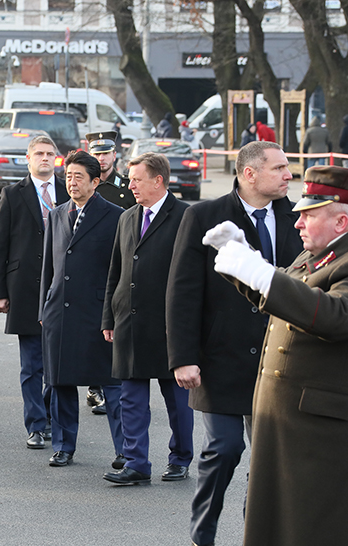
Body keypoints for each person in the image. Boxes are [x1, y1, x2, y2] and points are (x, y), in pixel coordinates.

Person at [210, 166, 348, 546]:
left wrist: (261, 274)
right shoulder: (318, 255)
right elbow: (285, 301)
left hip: (324, 436)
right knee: (281, 524)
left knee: (312, 527)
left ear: (341, 220)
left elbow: (335, 316)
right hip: (294, 427)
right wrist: (243, 264)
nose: (297, 223)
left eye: (308, 215)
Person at [166, 141, 302, 546]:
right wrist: (183, 357)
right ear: (249, 174)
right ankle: (202, 532)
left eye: (287, 168)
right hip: (219, 359)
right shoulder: (204, 216)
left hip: (279, 362)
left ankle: (255, 531)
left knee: (271, 461)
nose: (288, 175)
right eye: (279, 168)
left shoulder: (296, 218)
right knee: (224, 449)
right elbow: (183, 290)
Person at [101, 152, 193, 485]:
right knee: (131, 399)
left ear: (159, 180)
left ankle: (180, 457)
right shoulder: (127, 217)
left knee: (178, 402)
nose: (130, 185)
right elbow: (116, 269)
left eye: (136, 179)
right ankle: (137, 462)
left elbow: (195, 275)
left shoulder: (186, 216)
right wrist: (108, 317)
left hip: (170, 325)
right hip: (129, 321)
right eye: (129, 179)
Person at [40, 150, 124, 467]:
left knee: (112, 386)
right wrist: (43, 308)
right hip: (59, 313)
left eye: (79, 177)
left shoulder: (115, 216)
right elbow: (49, 267)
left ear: (95, 181)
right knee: (59, 383)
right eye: (69, 176)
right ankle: (63, 446)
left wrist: (114, 313)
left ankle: (124, 450)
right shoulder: (58, 214)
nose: (72, 183)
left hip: (98, 313)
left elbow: (119, 270)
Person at [0, 135, 69, 449]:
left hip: (63, 288)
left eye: (50, 154)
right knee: (32, 363)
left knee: (58, 363)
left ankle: (52, 418)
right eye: (39, 154)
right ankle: (36, 424)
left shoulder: (68, 190)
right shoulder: (13, 194)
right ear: (28, 158)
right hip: (25, 289)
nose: (45, 159)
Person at [85, 130, 136, 415]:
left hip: (120, 263)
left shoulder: (126, 188)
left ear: (115, 155)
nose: (101, 159)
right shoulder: (83, 183)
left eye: (106, 153)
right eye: (97, 153)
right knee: (94, 327)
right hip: (93, 263)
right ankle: (95, 387)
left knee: (115, 327)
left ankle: (114, 384)